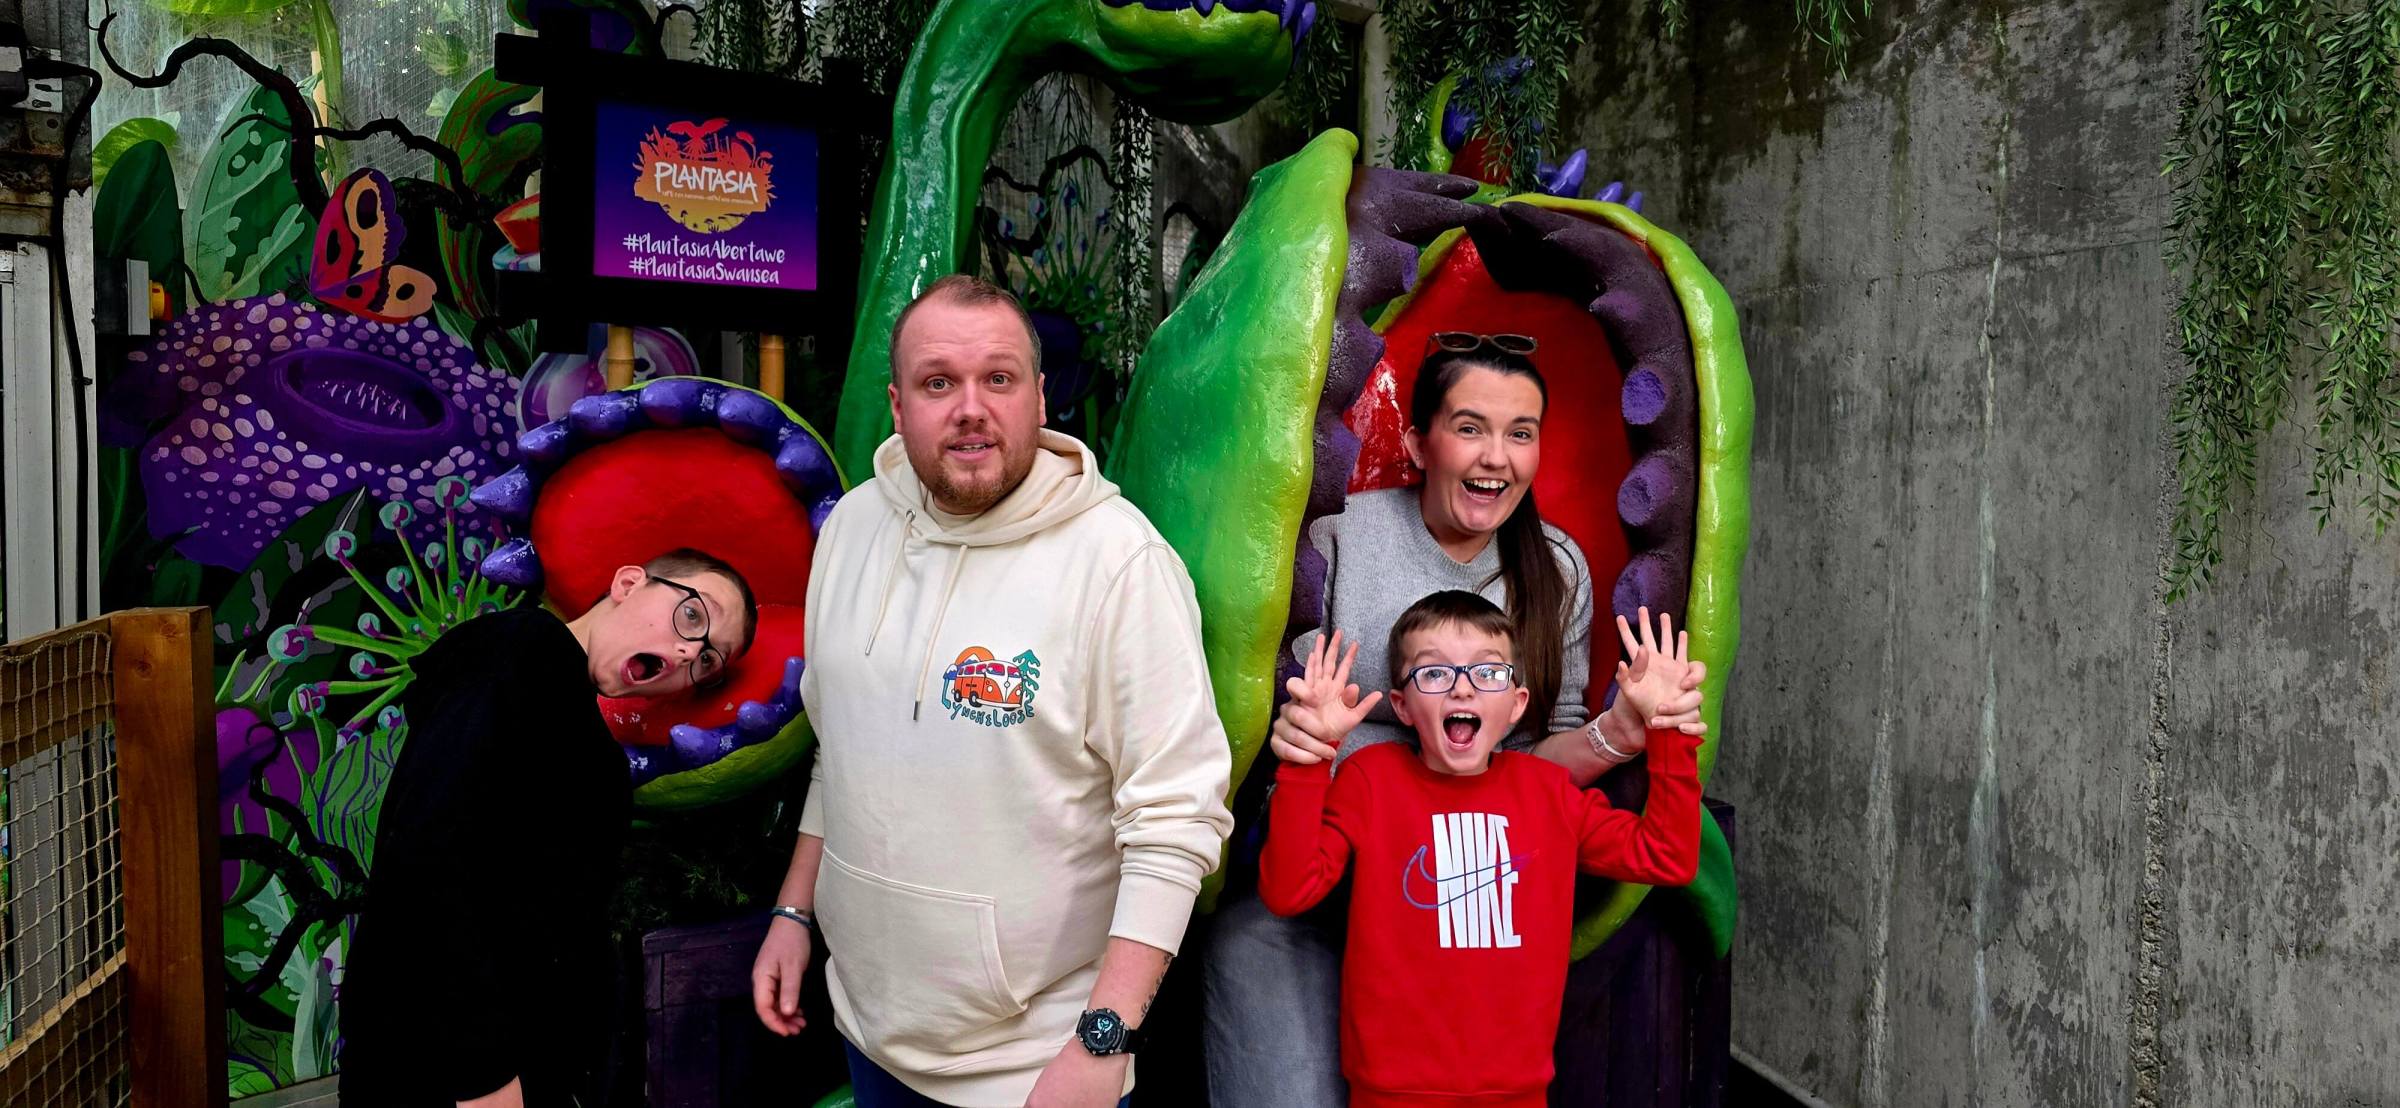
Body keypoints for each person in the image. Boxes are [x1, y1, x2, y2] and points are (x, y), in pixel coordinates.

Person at [749, 275, 1233, 1108]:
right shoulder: (854, 529)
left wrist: (1102, 1044)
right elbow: (843, 752)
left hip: (1035, 1069)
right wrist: (794, 913)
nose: (971, 407)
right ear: (898, 405)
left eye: (998, 379)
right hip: (868, 1032)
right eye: (940, 382)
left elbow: (1175, 827)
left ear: (1040, 397)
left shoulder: (1118, 564)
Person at [1203, 333, 1708, 1106]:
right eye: (1470, 427)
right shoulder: (1342, 534)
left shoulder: (1557, 566)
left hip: (1456, 897)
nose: (1496, 456)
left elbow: (1533, 774)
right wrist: (1315, 746)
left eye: (1521, 432)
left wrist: (1628, 733)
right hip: (1318, 876)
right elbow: (1297, 725)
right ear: (1417, 441)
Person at [340, 548, 758, 1108]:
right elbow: (429, 864)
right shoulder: (514, 660)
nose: (689, 653)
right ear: (629, 582)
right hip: (450, 1067)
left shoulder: (559, 697)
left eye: (709, 661)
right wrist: (482, 1076)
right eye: (691, 616)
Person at [1258, 593, 1704, 1107]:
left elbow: (1667, 857)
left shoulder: (1549, 792)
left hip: (1516, 1091)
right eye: (1434, 674)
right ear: (1401, 705)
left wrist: (1669, 731)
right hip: (1390, 1090)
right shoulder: (1371, 780)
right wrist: (1308, 759)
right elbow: (1287, 892)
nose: (1462, 688)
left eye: (1487, 674)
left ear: (1516, 704)